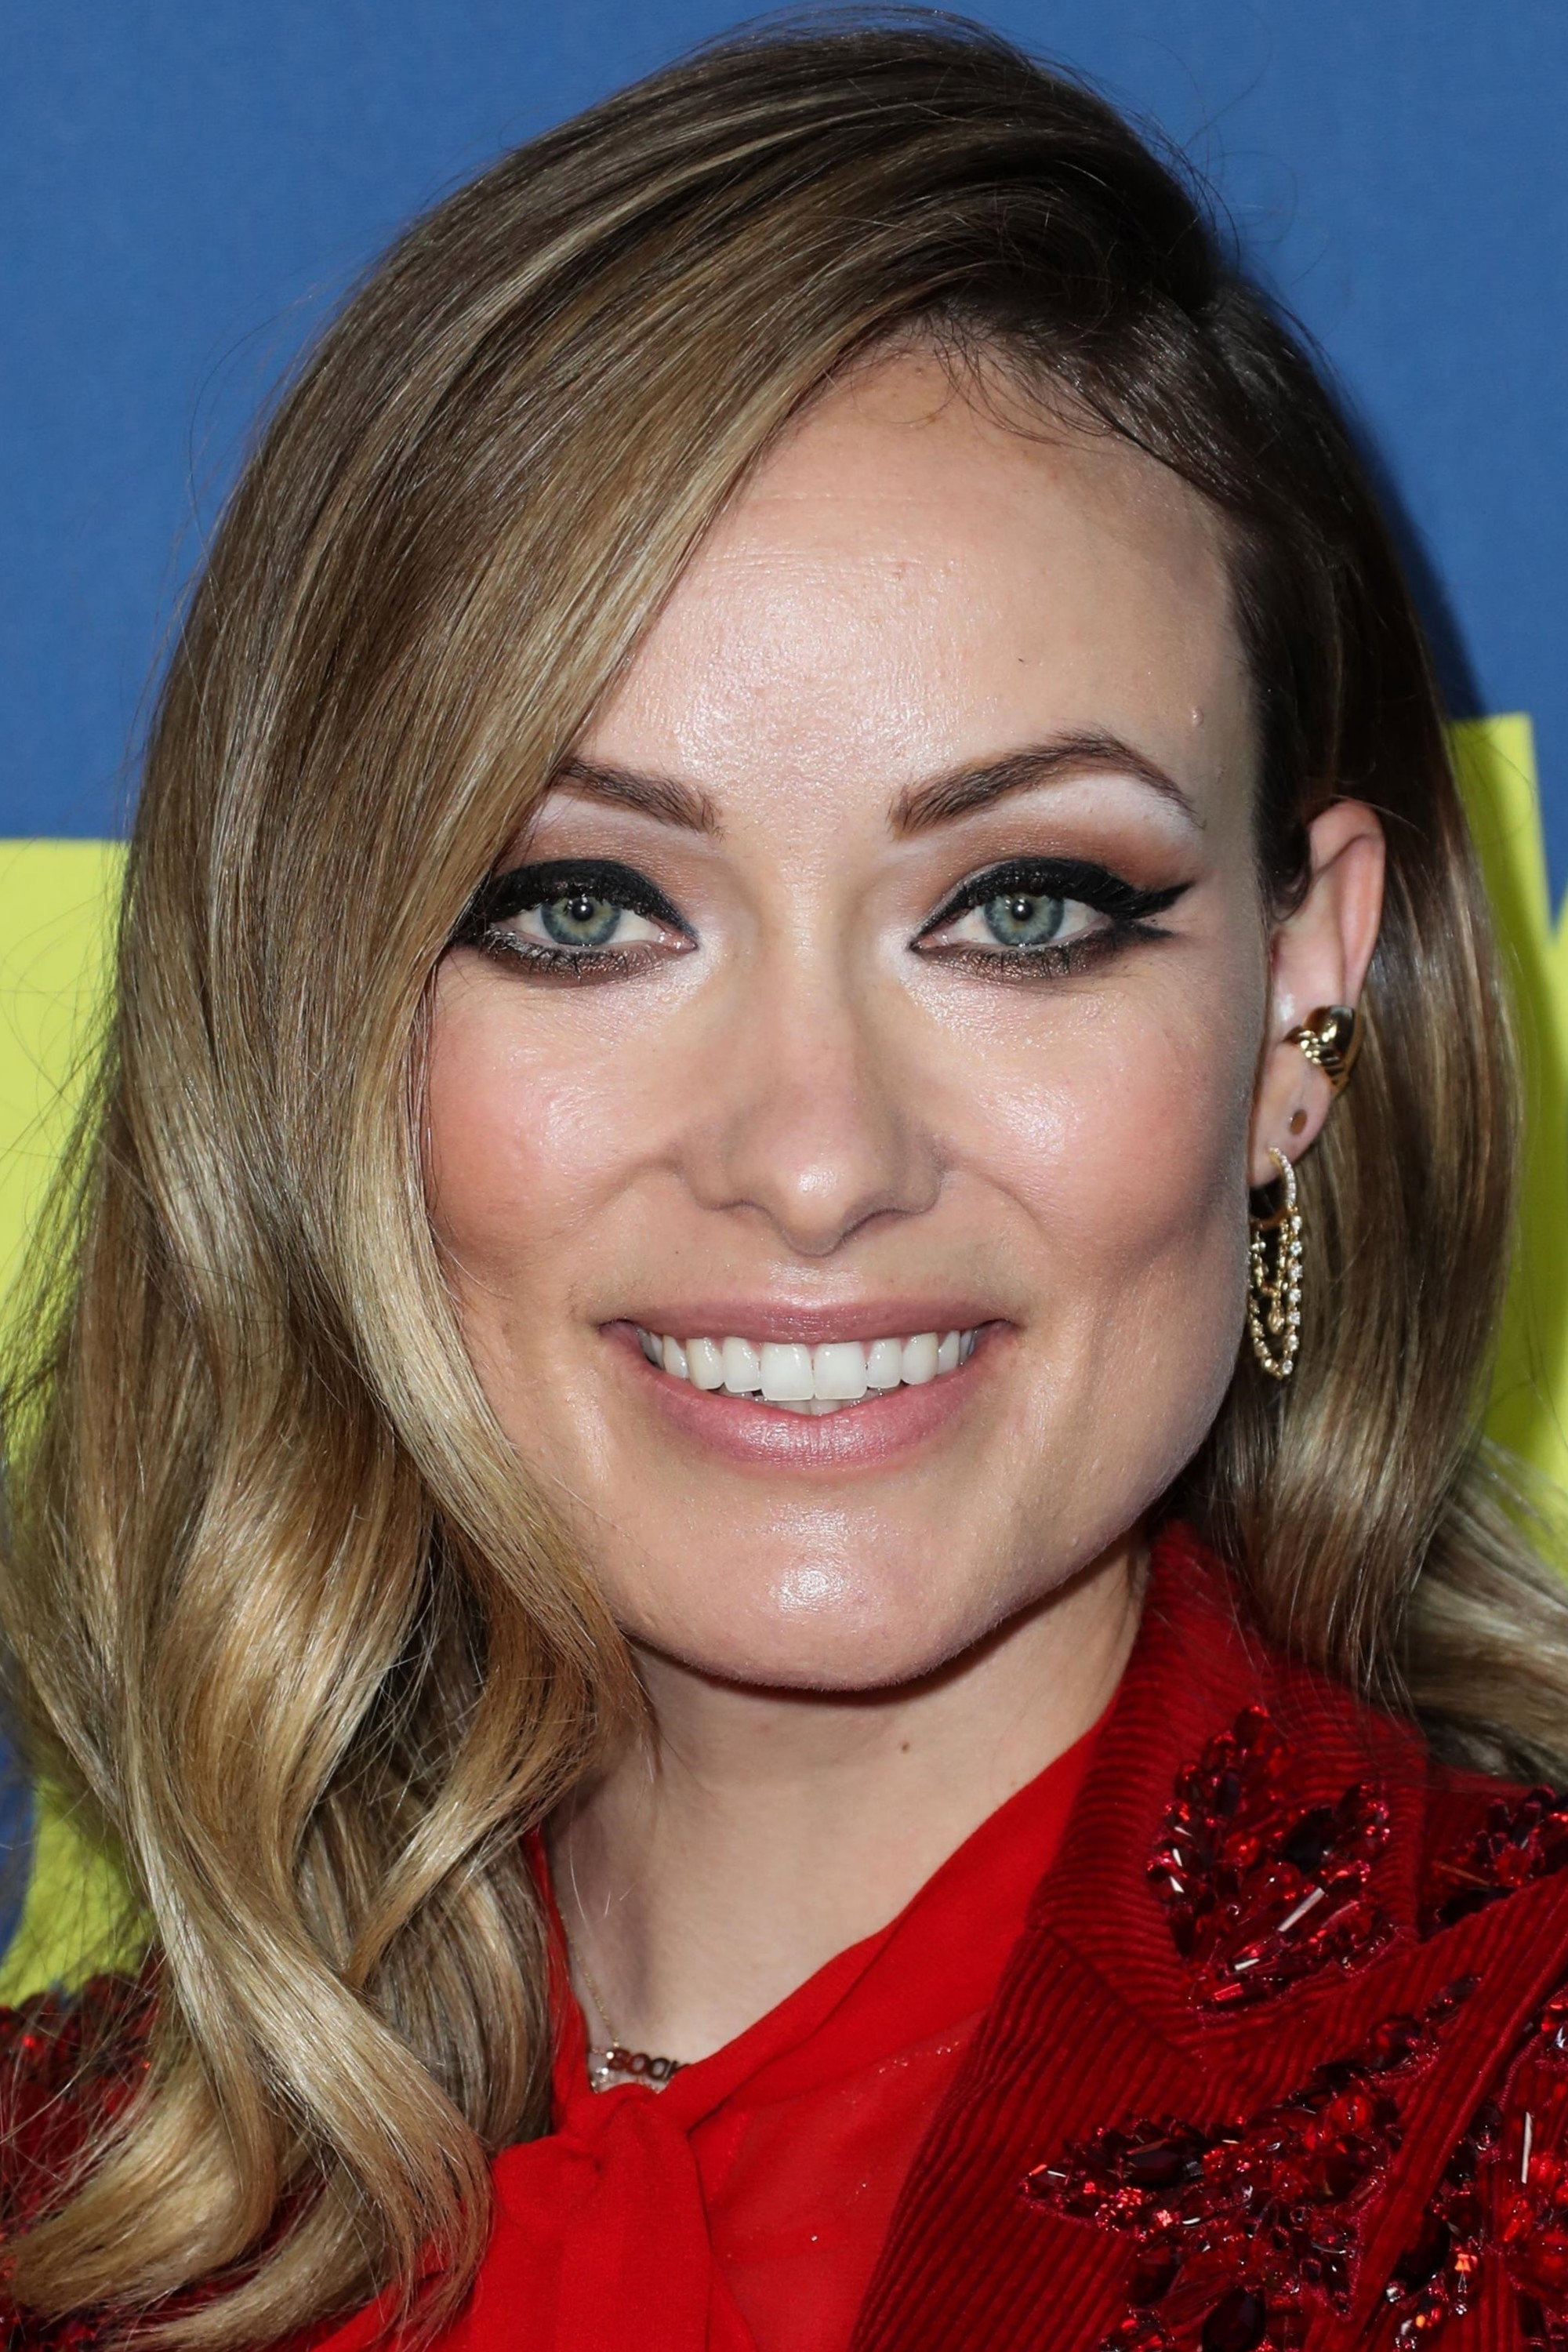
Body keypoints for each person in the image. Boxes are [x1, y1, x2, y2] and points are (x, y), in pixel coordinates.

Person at [4, 18, 1568, 2350]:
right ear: (318, 1018)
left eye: (1023, 908)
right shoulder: (63, 2211)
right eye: (583, 909)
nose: (818, 1161)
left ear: (1296, 1002)